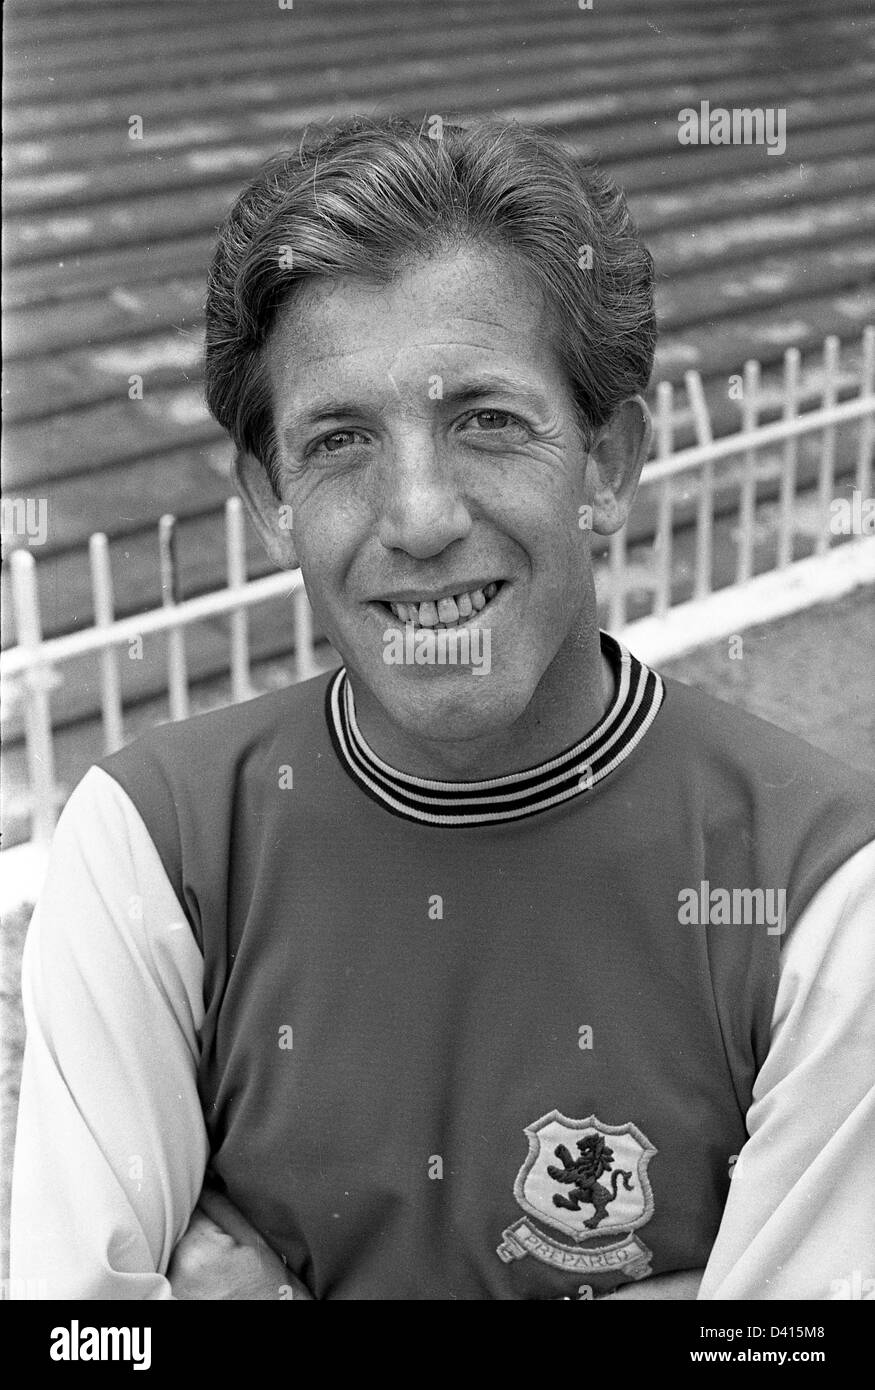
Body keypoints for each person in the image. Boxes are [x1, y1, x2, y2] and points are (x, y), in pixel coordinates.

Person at [10, 116, 875, 1302]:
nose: (416, 518)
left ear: (608, 460)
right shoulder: (149, 849)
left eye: (485, 419)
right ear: (270, 494)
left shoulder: (828, 888)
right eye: (339, 440)